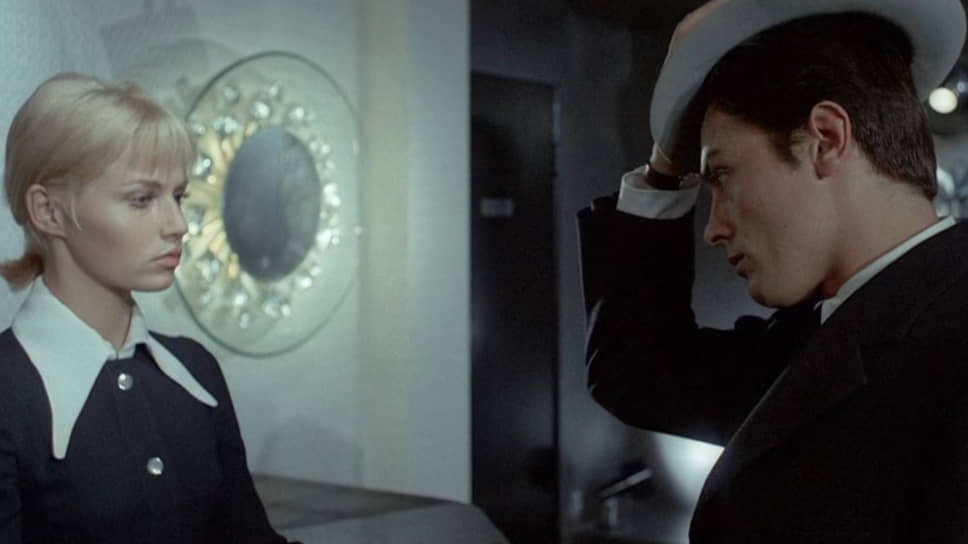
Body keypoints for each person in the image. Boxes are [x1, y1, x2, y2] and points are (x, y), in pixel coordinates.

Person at [578, 0, 968, 540]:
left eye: (722, 175)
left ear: (826, 139)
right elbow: (637, 371)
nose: (714, 229)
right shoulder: (830, 333)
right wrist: (666, 164)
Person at [0, 73, 297, 543]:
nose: (178, 225)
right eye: (142, 199)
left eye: (178, 196)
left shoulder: (195, 371)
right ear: (49, 212)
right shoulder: (9, 391)